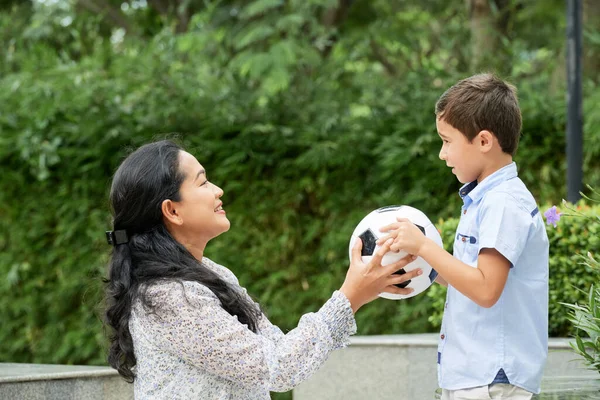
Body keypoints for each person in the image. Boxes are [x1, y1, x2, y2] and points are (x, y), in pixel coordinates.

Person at [103, 139, 421, 399]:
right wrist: (350, 296)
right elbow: (277, 368)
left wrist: (358, 293)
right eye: (202, 182)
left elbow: (279, 351)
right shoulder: (168, 296)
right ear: (172, 210)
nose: (218, 190)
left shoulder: (214, 273)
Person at [377, 74, 549, 399]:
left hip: (493, 379)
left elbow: (485, 289)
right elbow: (472, 279)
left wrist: (425, 245)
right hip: (474, 377)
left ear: (484, 141)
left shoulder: (503, 203)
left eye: (446, 141)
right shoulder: (485, 200)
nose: (442, 154)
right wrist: (420, 264)